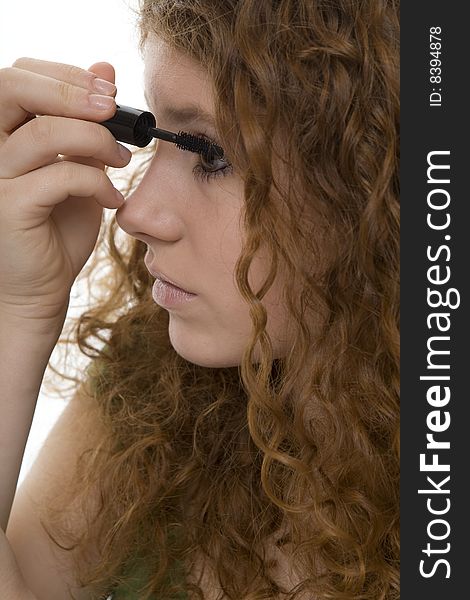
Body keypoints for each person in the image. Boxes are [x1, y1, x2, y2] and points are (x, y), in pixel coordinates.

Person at [0, 0, 400, 598]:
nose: (136, 214)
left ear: (375, 184)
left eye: (213, 155)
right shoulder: (155, 383)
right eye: (158, 137)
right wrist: (19, 308)